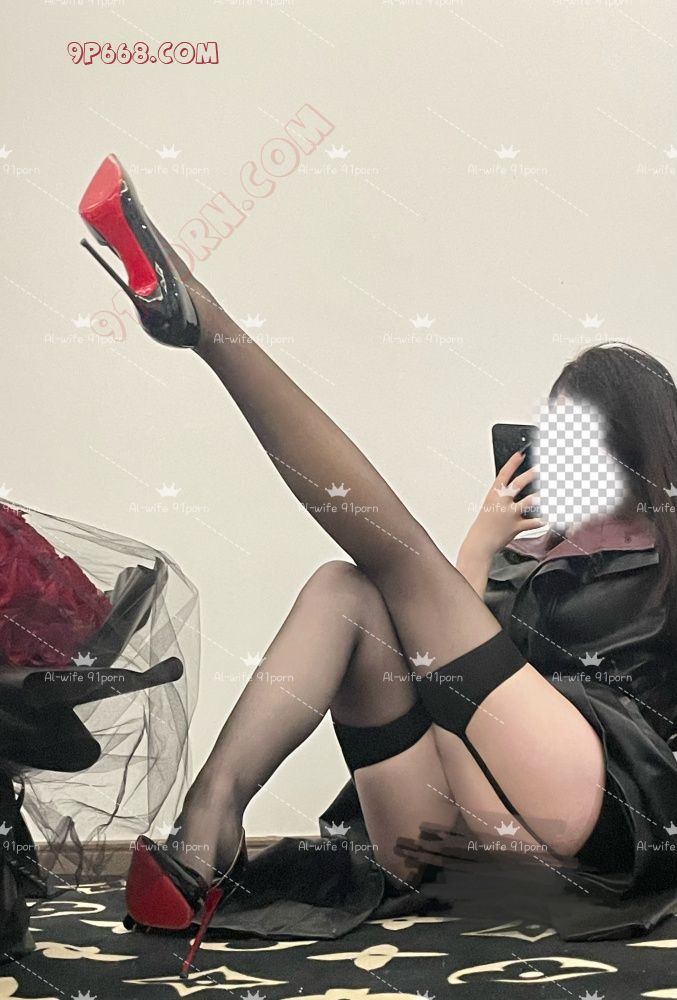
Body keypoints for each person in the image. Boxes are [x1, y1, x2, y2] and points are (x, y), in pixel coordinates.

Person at [79, 154, 677, 976]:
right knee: (345, 590)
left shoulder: (667, 558)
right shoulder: (522, 560)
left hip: (594, 813)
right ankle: (208, 822)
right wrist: (481, 548)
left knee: (399, 565)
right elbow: (457, 676)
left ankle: (208, 326)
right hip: (450, 828)